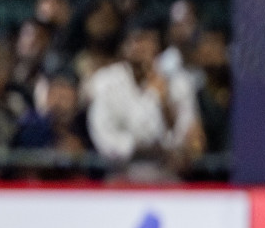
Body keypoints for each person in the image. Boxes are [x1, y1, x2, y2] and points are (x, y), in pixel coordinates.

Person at [85, 16, 202, 176]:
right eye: (136, 40)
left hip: (166, 175)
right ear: (124, 46)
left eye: (149, 41)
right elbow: (103, 131)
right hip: (121, 174)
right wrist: (137, 148)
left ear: (160, 46)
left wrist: (163, 102)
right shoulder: (105, 81)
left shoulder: (178, 81)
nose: (141, 47)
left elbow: (187, 135)